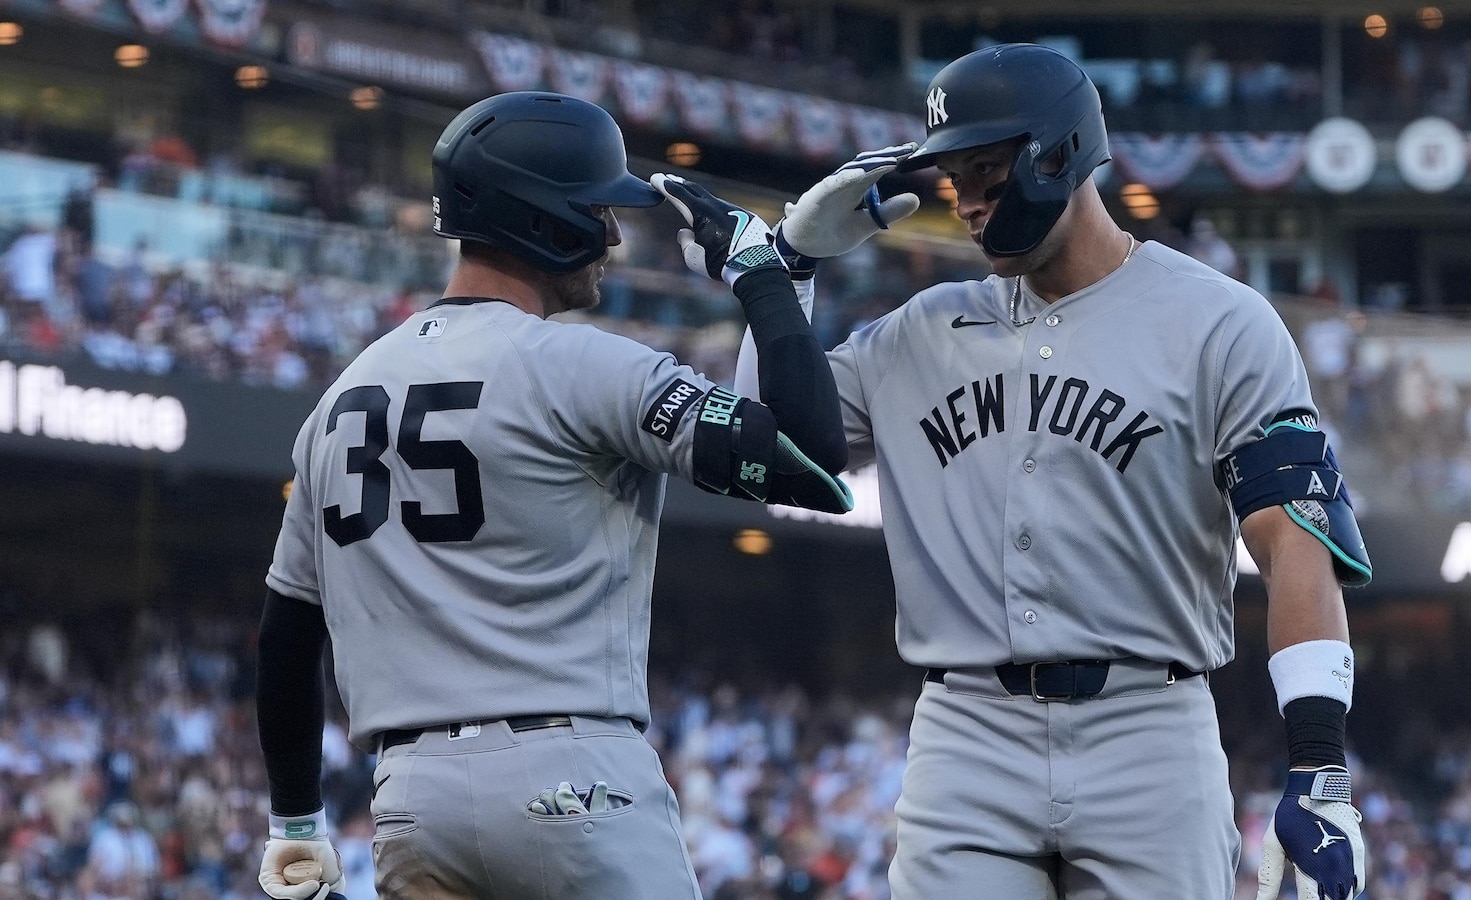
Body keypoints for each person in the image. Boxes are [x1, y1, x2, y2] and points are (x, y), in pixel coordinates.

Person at [737, 44, 1372, 899]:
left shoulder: (1220, 322)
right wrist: (788, 273)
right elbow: (768, 454)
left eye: (986, 173)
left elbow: (1293, 541)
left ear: (1060, 155)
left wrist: (1318, 765)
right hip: (966, 732)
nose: (965, 204)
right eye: (955, 180)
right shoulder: (918, 330)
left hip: (1150, 726)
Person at [255, 91, 851, 900]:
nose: (611, 235)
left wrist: (294, 822)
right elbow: (812, 463)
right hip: (572, 778)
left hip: (410, 802)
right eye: (598, 212)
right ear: (544, 221)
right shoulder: (583, 365)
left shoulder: (337, 402)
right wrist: (766, 278)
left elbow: (287, 637)